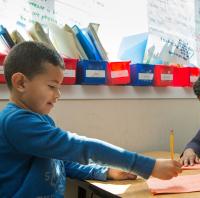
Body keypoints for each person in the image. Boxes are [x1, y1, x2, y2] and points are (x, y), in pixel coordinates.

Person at [0, 41, 182, 197]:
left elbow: (62, 163)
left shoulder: (41, 120)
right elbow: (82, 147)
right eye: (51, 86)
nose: (58, 94)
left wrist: (104, 171)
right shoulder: (16, 123)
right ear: (21, 83)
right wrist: (147, 166)